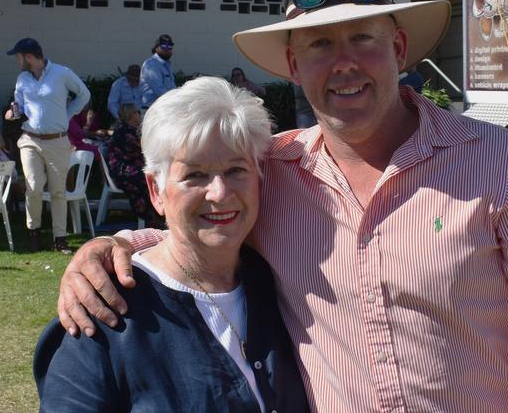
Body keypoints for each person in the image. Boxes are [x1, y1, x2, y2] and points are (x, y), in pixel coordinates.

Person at [57, 0, 508, 412]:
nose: (345, 62)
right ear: (292, 64)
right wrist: (113, 246)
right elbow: (206, 222)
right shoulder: (272, 171)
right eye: (320, 44)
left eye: (363, 39)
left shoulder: (502, 162)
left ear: (399, 48)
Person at [35, 77, 308, 411]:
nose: (219, 193)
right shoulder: (103, 310)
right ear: (155, 190)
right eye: (195, 175)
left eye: (236, 170)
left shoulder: (276, 283)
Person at [5, 38, 90, 254]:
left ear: (29, 57)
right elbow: (19, 106)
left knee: (57, 191)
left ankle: (59, 239)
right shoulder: (22, 78)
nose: (17, 61)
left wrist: (67, 115)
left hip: (57, 140)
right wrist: (11, 113)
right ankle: (33, 232)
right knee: (33, 185)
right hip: (30, 139)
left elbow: (84, 94)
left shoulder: (62, 73)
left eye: (18, 57)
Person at [107, 103, 164, 228]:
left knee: (157, 176)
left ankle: (158, 215)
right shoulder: (125, 131)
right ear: (131, 115)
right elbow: (145, 149)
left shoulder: (132, 130)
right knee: (149, 180)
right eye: (137, 112)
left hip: (131, 166)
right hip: (123, 170)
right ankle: (151, 216)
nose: (139, 114)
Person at [140, 34, 175, 108]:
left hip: (162, 107)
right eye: (164, 46)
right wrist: (176, 101)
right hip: (150, 109)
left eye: (170, 46)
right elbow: (159, 90)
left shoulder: (166, 65)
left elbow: (172, 88)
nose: (167, 49)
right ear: (156, 48)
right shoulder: (152, 65)